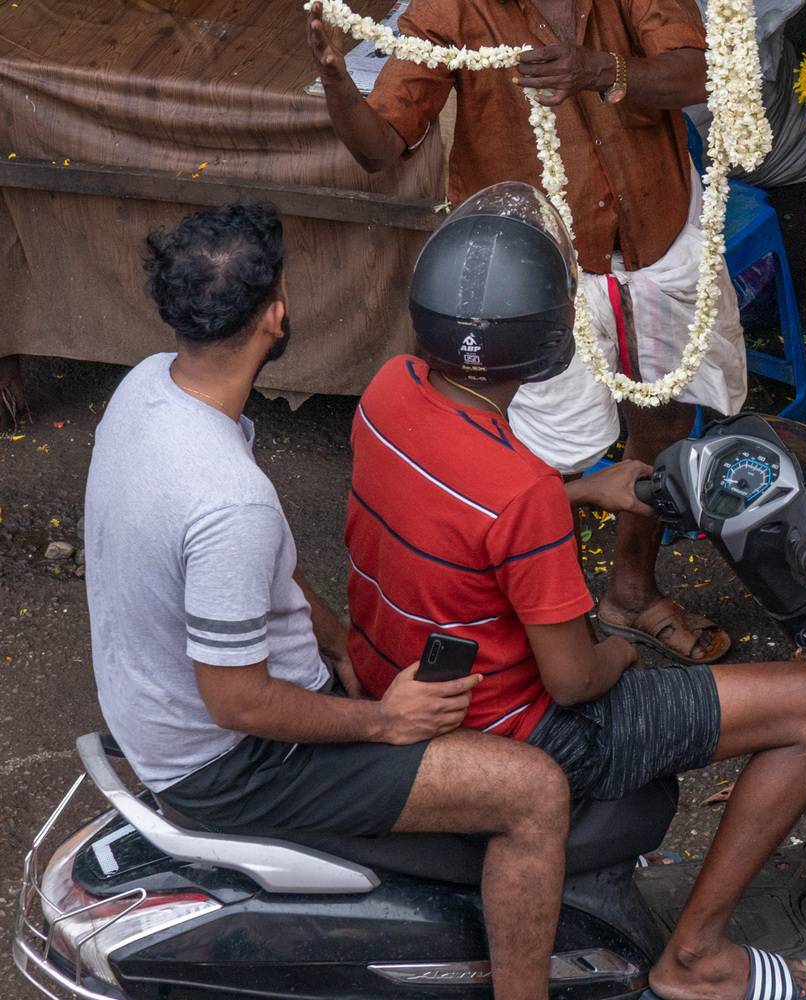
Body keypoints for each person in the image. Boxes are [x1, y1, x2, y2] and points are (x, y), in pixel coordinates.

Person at [346, 183, 806, 1000]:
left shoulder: (388, 388)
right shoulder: (520, 493)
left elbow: (464, 509)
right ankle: (696, 958)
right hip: (521, 730)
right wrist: (620, 651)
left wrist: (578, 490)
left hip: (397, 674)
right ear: (553, 343)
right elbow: (574, 682)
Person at [83, 203, 569, 1000]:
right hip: (230, 765)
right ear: (275, 315)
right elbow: (238, 702)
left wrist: (338, 641)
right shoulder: (228, 499)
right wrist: (385, 720)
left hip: (157, 718)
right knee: (534, 790)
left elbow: (259, 577)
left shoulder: (149, 387)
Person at [307, 0, 743, 667]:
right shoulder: (449, 9)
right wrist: (339, 84)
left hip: (660, 238)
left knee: (665, 418)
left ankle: (631, 592)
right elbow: (379, 147)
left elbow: (701, 74)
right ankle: (550, 631)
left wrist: (600, 69)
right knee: (537, 461)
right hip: (536, 275)